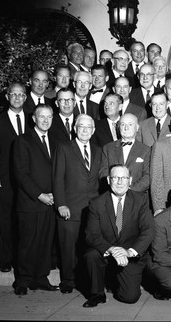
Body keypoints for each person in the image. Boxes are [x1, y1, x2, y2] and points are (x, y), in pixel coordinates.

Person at [83, 165, 154, 307]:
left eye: (124, 178)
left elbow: (148, 230)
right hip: (107, 250)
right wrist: (112, 250)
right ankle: (97, 294)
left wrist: (129, 252)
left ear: (130, 180)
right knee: (91, 255)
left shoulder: (141, 200)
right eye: (115, 178)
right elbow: (91, 235)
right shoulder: (96, 203)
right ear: (109, 180)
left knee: (130, 298)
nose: (120, 182)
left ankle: (117, 283)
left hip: (130, 253)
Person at [53, 114, 102, 294]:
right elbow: (57, 177)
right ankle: (67, 281)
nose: (84, 130)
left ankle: (85, 280)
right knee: (68, 247)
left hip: (91, 209)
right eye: (81, 126)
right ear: (75, 128)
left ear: (93, 130)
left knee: (87, 247)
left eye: (88, 127)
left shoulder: (98, 150)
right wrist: (61, 204)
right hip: (70, 207)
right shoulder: (65, 148)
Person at [13, 104, 59, 295]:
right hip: (31, 202)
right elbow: (21, 174)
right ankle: (23, 281)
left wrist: (56, 194)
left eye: (49, 117)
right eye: (42, 117)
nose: (46, 120)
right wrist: (40, 195)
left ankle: (40, 279)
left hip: (51, 201)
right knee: (27, 242)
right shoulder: (22, 141)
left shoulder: (56, 140)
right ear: (34, 118)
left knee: (45, 242)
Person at [0, 82, 30, 272]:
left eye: (21, 94)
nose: (17, 98)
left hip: (28, 179)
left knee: (24, 219)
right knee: (5, 218)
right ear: (7, 97)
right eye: (13, 94)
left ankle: (24, 258)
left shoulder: (33, 119)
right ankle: (6, 259)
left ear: (25, 97)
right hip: (4, 179)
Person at [99, 113, 151, 196]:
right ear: (119, 127)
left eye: (130, 124)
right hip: (112, 195)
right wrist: (115, 189)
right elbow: (103, 173)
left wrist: (130, 190)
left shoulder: (146, 150)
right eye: (123, 124)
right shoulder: (108, 148)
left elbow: (148, 176)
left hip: (137, 197)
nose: (126, 128)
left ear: (137, 127)